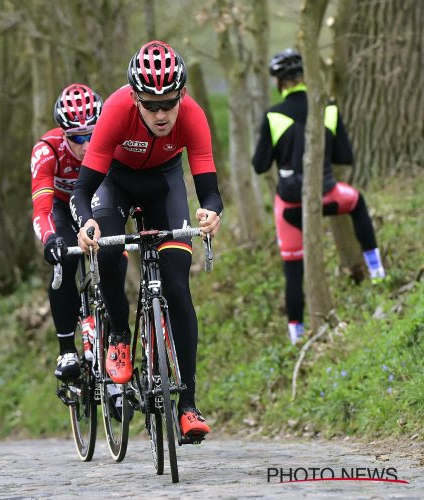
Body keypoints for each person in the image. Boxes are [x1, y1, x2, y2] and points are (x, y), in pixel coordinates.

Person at [70, 41, 223, 438]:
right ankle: (119, 334)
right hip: (115, 183)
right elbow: (82, 190)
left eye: (168, 103)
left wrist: (209, 213)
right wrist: (87, 223)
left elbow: (208, 186)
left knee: (177, 284)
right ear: (135, 97)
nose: (160, 114)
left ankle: (187, 404)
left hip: (164, 186)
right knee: (106, 256)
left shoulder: (192, 116)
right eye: (150, 105)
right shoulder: (117, 111)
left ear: (182, 95)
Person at [252, 49, 386, 345]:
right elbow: (345, 156)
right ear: (304, 76)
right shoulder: (328, 107)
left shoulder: (274, 116)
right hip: (327, 197)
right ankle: (377, 271)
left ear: (279, 82)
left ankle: (296, 337)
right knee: (357, 201)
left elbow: (259, 165)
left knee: (292, 268)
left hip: (290, 207)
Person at [31, 83, 106, 381]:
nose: (87, 145)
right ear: (63, 133)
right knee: (64, 261)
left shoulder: (111, 142)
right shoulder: (47, 150)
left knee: (115, 258)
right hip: (61, 209)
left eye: (93, 134)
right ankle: (67, 350)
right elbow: (42, 209)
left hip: (97, 204)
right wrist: (50, 240)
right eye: (77, 138)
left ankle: (115, 344)